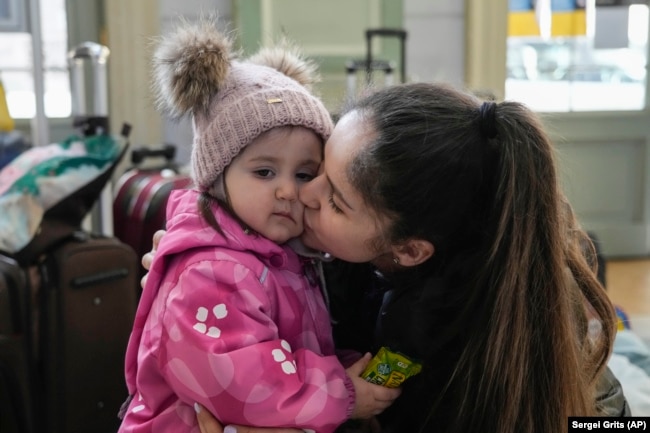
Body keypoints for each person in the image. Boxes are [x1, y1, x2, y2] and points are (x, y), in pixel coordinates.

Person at [142, 81, 629, 433]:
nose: (301, 193)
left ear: (409, 251)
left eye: (335, 200)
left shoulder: (507, 333)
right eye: (318, 166)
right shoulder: (309, 250)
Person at [117, 19, 400, 433]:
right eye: (265, 172)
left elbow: (280, 349)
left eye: (304, 174)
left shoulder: (283, 253)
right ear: (216, 178)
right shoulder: (214, 268)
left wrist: (340, 364)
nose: (288, 190)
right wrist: (342, 392)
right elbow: (241, 381)